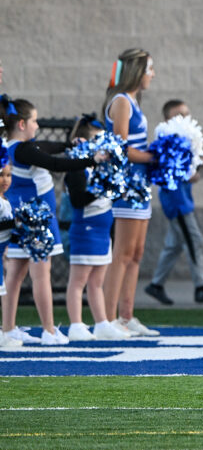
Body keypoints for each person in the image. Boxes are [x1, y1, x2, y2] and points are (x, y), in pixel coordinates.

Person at [0, 96, 104, 345]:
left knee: (14, 274)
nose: (38, 126)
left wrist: (69, 145)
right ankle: (48, 330)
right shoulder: (25, 149)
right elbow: (55, 163)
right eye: (35, 121)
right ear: (22, 124)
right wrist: (93, 159)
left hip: (19, 216)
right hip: (34, 218)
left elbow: (46, 148)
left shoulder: (12, 147)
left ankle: (8, 329)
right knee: (40, 273)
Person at [143, 100, 203, 306]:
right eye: (178, 115)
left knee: (174, 244)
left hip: (184, 199)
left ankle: (156, 284)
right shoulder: (166, 141)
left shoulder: (185, 139)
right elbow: (168, 172)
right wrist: (189, 174)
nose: (184, 119)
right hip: (177, 202)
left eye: (186, 115)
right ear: (167, 120)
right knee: (194, 239)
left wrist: (198, 165)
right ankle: (201, 287)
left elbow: (198, 160)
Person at [102, 48, 158, 338]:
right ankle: (107, 319)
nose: (152, 74)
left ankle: (126, 316)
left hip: (141, 185)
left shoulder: (134, 100)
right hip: (126, 184)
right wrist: (153, 157)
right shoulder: (121, 101)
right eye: (149, 69)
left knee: (136, 253)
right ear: (136, 71)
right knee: (122, 253)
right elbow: (119, 149)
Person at [64, 116, 127, 342]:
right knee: (78, 280)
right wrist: (104, 187)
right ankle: (76, 324)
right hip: (86, 230)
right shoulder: (77, 168)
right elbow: (79, 200)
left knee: (97, 281)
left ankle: (101, 323)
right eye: (96, 141)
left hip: (101, 231)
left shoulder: (99, 166)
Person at [0, 150, 16, 348]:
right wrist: (16, 223)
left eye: (8, 175)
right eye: (1, 175)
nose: (5, 179)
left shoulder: (5, 201)